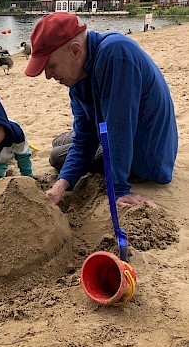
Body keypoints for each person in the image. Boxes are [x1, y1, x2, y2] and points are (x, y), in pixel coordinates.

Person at [25, 12, 178, 207]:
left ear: (75, 50)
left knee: (57, 156)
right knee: (60, 141)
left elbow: (120, 130)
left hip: (148, 157)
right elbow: (84, 139)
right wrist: (59, 187)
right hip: (117, 132)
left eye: (51, 66)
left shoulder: (116, 55)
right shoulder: (77, 79)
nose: (48, 75)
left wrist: (119, 189)